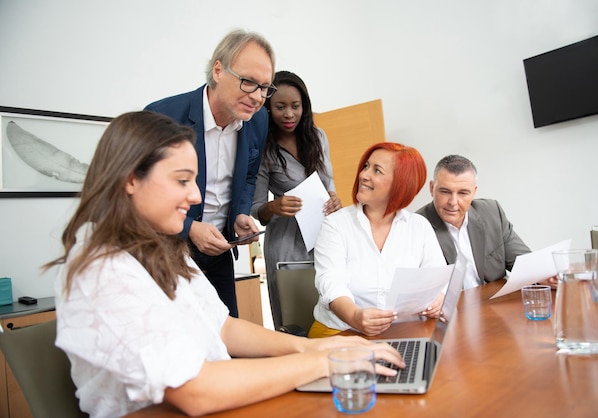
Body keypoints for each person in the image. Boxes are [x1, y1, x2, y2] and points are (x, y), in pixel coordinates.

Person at [44, 111, 404, 418]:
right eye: (182, 180)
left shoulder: (160, 248)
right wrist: (325, 362)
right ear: (130, 179)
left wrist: (313, 348)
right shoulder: (103, 267)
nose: (196, 196)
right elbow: (194, 390)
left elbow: (220, 326)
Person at [144, 29, 274, 316]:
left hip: (219, 252)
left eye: (265, 87)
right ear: (218, 70)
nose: (257, 97)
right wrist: (189, 228)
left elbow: (249, 176)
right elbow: (142, 195)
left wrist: (241, 213)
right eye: (249, 82)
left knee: (226, 341)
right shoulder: (161, 117)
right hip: (167, 252)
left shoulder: (258, 120)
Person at [308, 142, 447, 338]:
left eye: (377, 170)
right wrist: (355, 316)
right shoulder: (335, 225)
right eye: (366, 166)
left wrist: (439, 299)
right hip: (342, 330)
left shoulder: (419, 226)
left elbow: (438, 279)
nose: (364, 175)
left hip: (404, 331)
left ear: (401, 184)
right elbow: (330, 282)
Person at [251, 70, 342, 329]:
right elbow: (258, 210)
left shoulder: (318, 136)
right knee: (296, 321)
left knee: (330, 313)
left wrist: (335, 199)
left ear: (305, 106)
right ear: (267, 108)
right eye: (280, 107)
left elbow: (329, 185)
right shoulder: (263, 148)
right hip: (286, 243)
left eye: (295, 106)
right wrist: (274, 206)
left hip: (323, 235)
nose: (289, 114)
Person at [416, 154, 557, 289]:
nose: (453, 202)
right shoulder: (417, 226)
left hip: (494, 305)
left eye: (463, 193)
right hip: (453, 310)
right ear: (432, 188)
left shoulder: (492, 212)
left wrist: (545, 275)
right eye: (445, 191)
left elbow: (524, 263)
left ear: (474, 192)